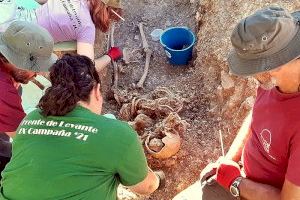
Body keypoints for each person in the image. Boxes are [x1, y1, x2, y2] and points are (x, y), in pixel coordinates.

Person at [173, 6, 300, 200]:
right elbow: (257, 115)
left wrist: (235, 183)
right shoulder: (275, 82)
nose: (253, 74)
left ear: (277, 64)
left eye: (255, 66)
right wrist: (229, 161)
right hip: (242, 179)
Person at [0, 54, 165, 200]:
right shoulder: (118, 134)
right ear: (97, 91)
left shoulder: (31, 119)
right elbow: (146, 187)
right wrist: (158, 180)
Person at [0, 20, 57, 179]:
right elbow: (27, 139)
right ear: (14, 60)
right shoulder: (3, 91)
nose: (37, 74)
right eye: (34, 68)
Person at [0, 0, 123, 72]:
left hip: (17, 13)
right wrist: (110, 55)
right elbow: (87, 68)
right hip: (23, 37)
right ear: (107, 13)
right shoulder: (87, 28)